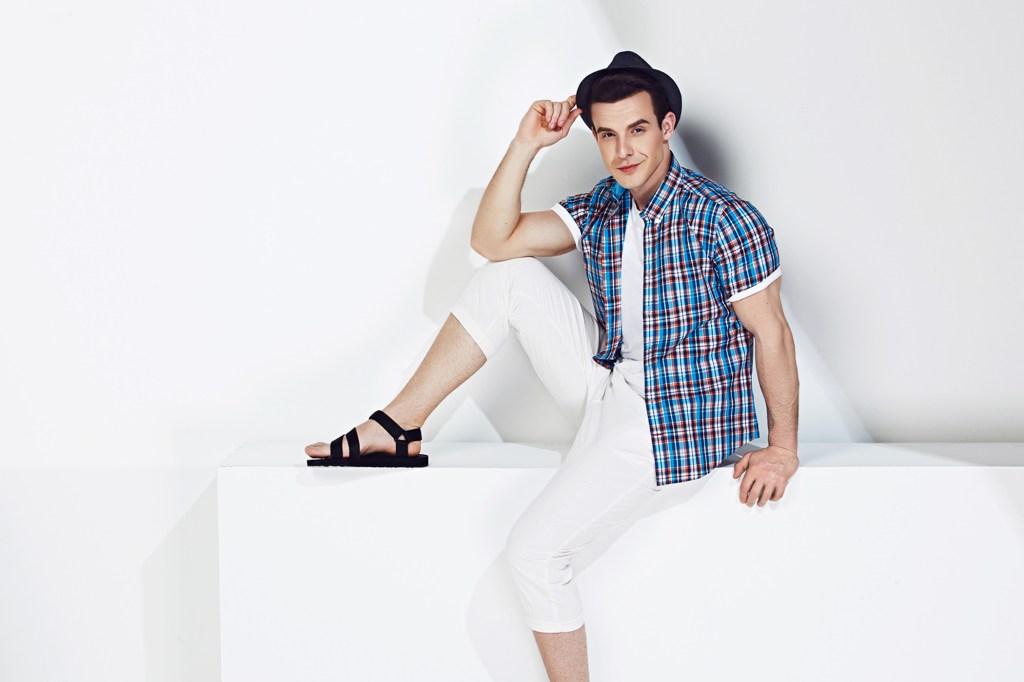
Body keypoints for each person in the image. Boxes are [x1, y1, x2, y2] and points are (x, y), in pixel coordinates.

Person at [306, 51, 800, 681]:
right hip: (611, 388)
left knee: (534, 556)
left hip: (673, 423)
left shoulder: (724, 218)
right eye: (607, 134)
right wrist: (525, 145)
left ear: (667, 126)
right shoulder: (605, 205)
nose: (623, 150)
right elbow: (492, 243)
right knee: (508, 277)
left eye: (638, 129)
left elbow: (772, 332)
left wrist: (782, 448)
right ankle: (397, 427)